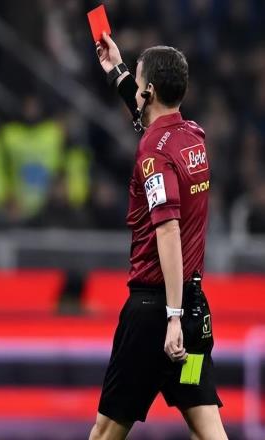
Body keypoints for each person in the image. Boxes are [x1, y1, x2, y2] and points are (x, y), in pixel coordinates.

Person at [88, 33, 228, 440]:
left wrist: (172, 317)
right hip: (195, 316)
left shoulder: (153, 152)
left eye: (137, 83)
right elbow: (153, 122)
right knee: (207, 427)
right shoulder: (193, 137)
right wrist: (117, 70)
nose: (134, 90)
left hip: (155, 319)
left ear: (148, 91)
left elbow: (168, 230)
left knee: (105, 432)